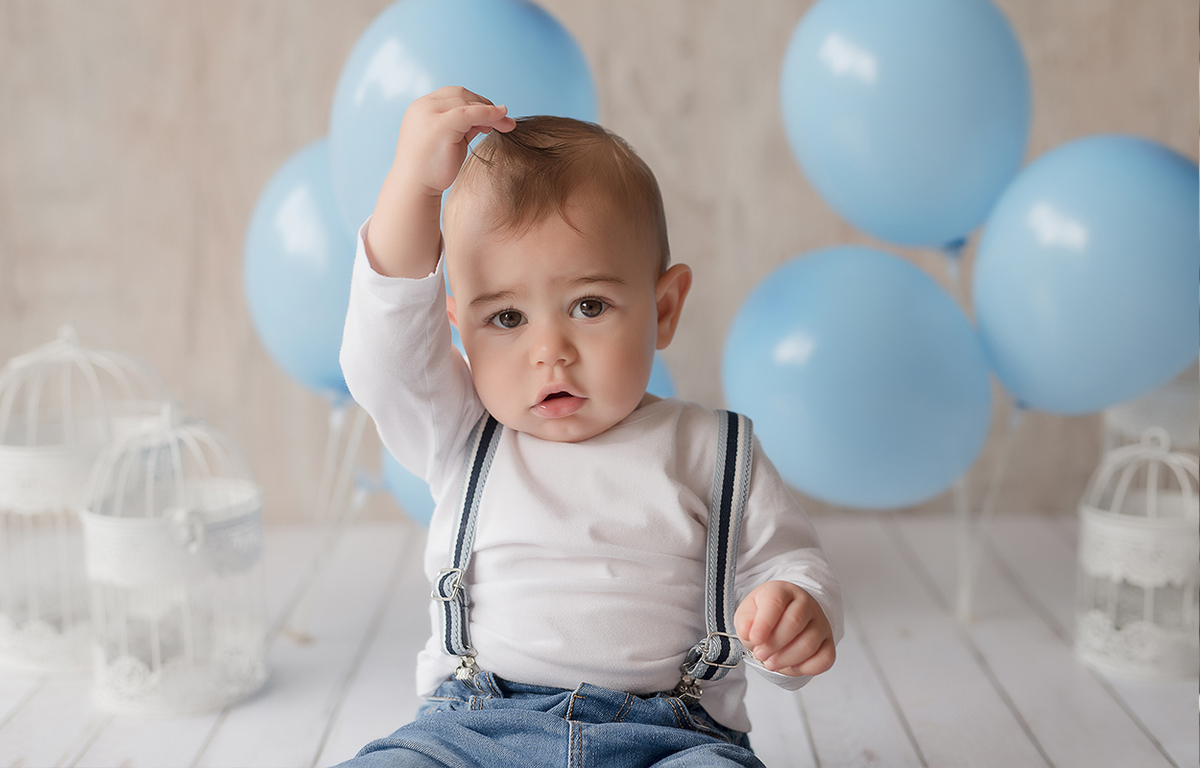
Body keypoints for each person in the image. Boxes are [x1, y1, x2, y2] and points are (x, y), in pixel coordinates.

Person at [336, 86, 842, 768]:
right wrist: (411, 188)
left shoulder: (713, 450)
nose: (551, 351)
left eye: (589, 305)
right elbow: (383, 351)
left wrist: (793, 609)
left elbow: (785, 563)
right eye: (507, 318)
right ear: (459, 329)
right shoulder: (462, 431)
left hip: (670, 737)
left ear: (664, 308)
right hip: (475, 732)